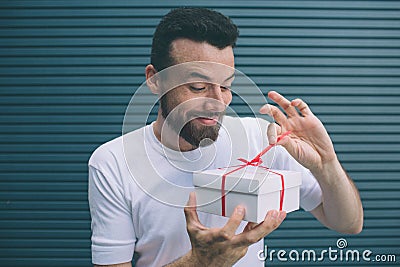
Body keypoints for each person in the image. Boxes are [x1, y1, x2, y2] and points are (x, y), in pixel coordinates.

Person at [88, 7, 363, 267]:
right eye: (198, 86)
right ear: (154, 80)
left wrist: (326, 164)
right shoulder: (113, 161)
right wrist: (201, 262)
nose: (218, 102)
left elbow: (348, 223)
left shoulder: (262, 137)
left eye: (226, 86)